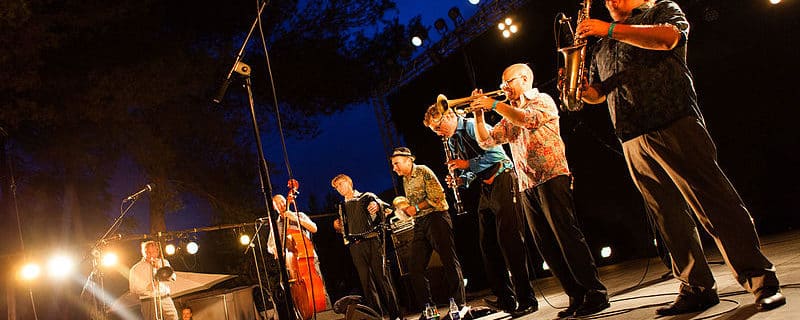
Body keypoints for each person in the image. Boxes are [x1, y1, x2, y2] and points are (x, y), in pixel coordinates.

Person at [574, 0, 786, 314]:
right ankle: (696, 287)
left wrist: (609, 29)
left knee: (714, 204)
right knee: (668, 218)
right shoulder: (603, 44)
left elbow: (668, 39)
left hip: (673, 120)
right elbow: (600, 92)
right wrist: (581, 89)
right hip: (631, 135)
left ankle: (761, 281)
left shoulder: (660, 10)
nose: (609, 0)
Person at [469, 63, 610, 318]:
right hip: (527, 185)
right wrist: (479, 116)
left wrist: (492, 105)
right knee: (546, 245)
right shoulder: (510, 112)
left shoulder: (542, 100)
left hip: (552, 176)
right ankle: (575, 295)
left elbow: (527, 120)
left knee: (566, 236)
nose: (503, 87)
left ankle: (595, 292)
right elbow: (487, 140)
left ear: (524, 79)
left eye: (508, 81)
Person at [423, 106, 537, 316]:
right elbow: (469, 172)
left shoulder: (475, 126)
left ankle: (527, 298)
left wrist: (466, 164)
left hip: (503, 178)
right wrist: (460, 178)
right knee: (488, 244)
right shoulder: (450, 140)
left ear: (449, 116)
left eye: (439, 127)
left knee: (510, 240)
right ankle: (506, 298)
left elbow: (495, 155)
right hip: (486, 187)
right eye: (434, 130)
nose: (439, 133)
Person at [390, 147, 466, 312]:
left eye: (396, 163)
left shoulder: (423, 171)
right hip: (420, 223)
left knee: (448, 260)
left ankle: (459, 304)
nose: (394, 168)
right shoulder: (405, 180)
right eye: (393, 164)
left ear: (408, 160)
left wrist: (415, 207)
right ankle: (428, 307)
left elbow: (438, 195)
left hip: (437, 218)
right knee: (415, 267)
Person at [331, 174, 401, 320]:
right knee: (366, 283)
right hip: (355, 246)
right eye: (336, 187)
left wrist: (377, 205)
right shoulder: (341, 207)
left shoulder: (366, 196)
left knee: (383, 279)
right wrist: (338, 226)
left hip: (372, 241)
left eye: (341, 184)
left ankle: (396, 316)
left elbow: (387, 209)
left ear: (349, 182)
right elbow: (344, 227)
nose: (339, 188)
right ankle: (376, 317)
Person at [267, 194, 331, 312]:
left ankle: (325, 312)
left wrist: (295, 218)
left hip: (307, 258)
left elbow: (314, 228)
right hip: (291, 264)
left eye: (282, 201)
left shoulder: (299, 215)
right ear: (273, 207)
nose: (281, 205)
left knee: (318, 289)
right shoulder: (275, 224)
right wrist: (274, 249)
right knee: (296, 292)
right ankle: (303, 313)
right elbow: (270, 245)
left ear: (286, 201)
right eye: (277, 204)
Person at [129, 240, 179, 320]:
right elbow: (133, 289)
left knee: (173, 318)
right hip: (148, 300)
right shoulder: (136, 268)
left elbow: (173, 277)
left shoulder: (164, 262)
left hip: (165, 298)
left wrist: (159, 268)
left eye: (153, 252)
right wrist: (147, 287)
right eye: (148, 252)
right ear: (143, 252)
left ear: (157, 251)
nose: (151, 254)